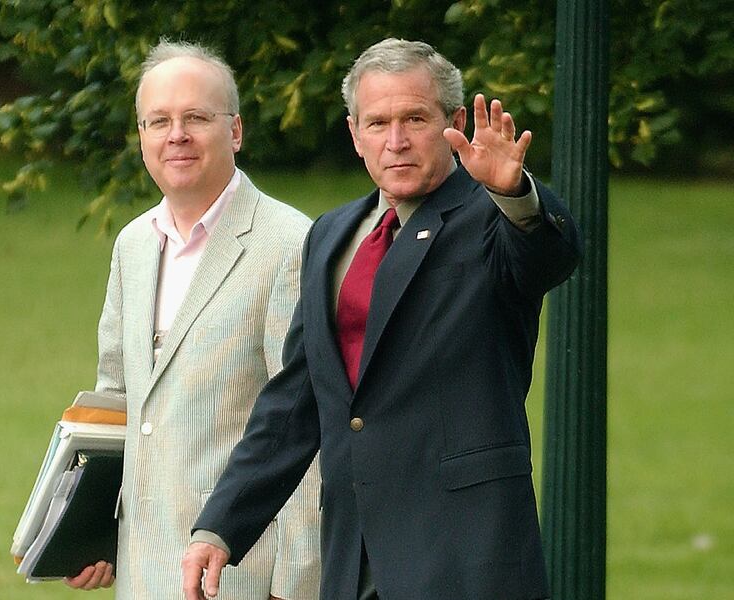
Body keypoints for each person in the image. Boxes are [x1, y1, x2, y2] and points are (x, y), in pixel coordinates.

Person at [182, 37, 583, 600]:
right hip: (354, 562)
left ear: (456, 121)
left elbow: (549, 255)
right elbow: (297, 398)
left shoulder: (491, 217)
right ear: (354, 134)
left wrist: (514, 193)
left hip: (466, 563)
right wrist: (221, 525)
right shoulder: (330, 236)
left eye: (415, 118)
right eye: (377, 123)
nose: (396, 141)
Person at [64, 39, 321, 599]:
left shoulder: (289, 244)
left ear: (235, 131)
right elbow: (117, 401)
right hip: (143, 572)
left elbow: (307, 422)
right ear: (141, 137)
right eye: (158, 121)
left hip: (242, 578)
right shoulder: (133, 245)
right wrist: (87, 531)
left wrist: (295, 586)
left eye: (195, 118)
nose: (175, 134)